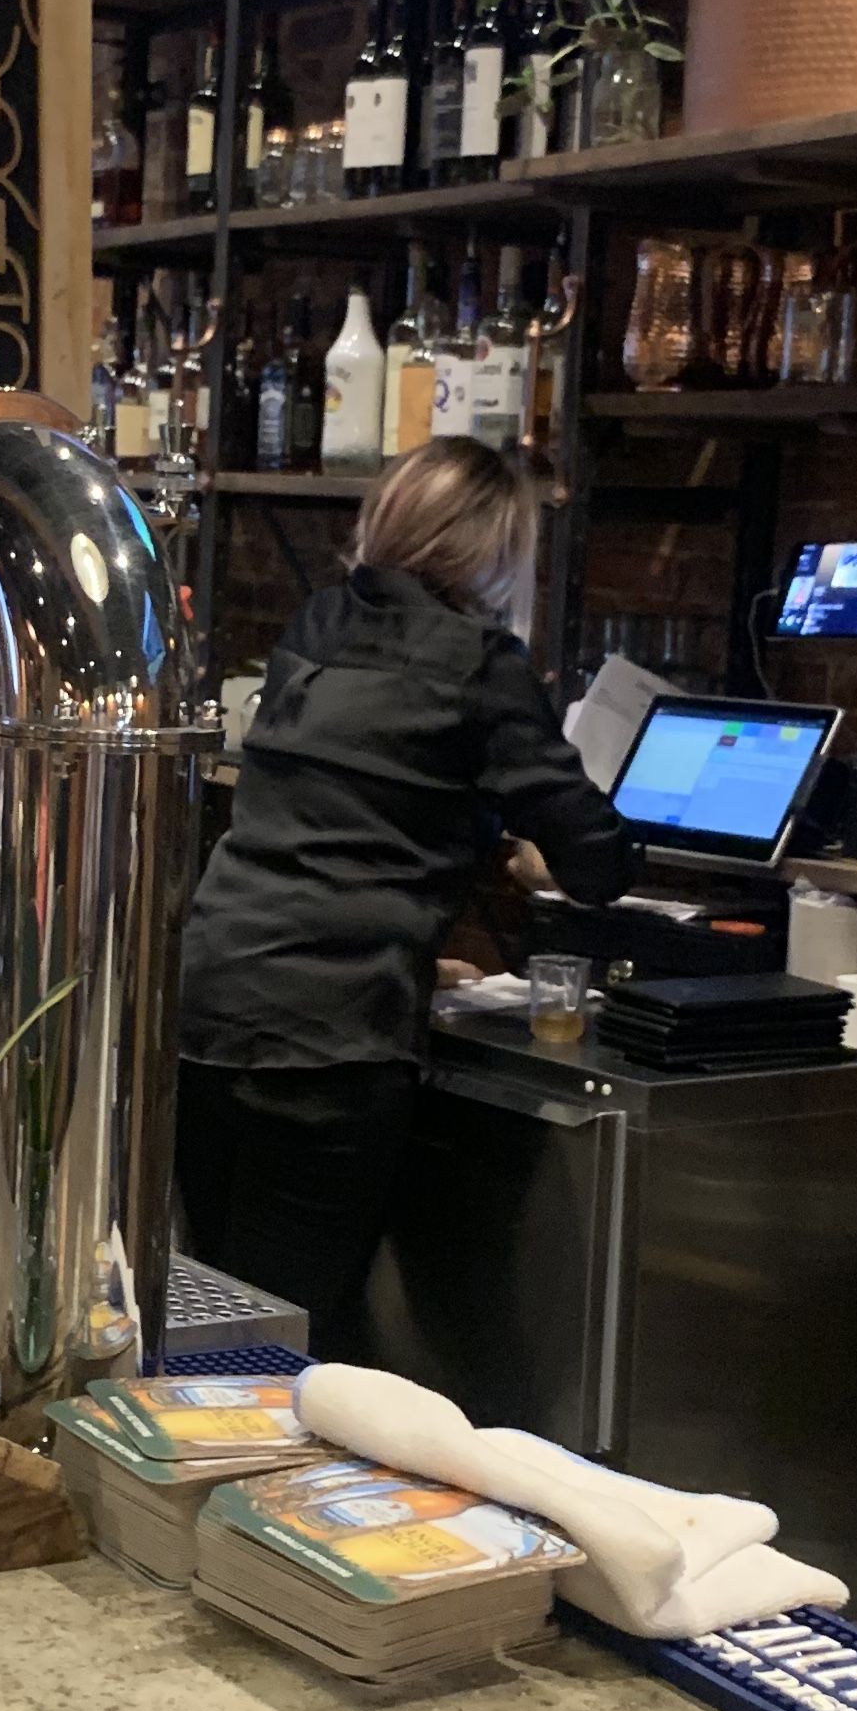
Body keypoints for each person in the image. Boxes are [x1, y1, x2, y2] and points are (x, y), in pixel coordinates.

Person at [174, 440, 637, 1360]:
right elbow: (598, 860)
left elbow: (342, 811)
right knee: (284, 1341)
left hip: (209, 999)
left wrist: (415, 949)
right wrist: (533, 862)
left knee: (222, 1314)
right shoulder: (482, 663)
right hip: (327, 1038)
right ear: (495, 549)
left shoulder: (318, 625)